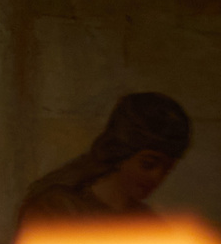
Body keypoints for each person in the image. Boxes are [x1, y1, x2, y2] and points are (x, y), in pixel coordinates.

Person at [20, 92, 193, 228]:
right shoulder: (57, 209)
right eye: (148, 164)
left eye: (167, 169)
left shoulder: (148, 223)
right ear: (121, 152)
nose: (157, 178)